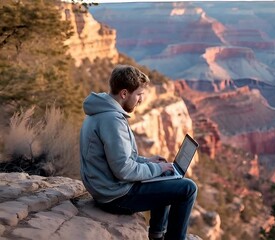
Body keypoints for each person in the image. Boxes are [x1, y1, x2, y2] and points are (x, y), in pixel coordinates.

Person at [79, 64, 198, 240]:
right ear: (124, 94)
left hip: (107, 188)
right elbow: (124, 170)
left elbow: (122, 159)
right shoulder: (112, 120)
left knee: (167, 177)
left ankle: (158, 234)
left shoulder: (102, 112)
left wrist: (149, 162)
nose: (141, 100)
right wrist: (158, 169)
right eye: (139, 95)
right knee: (188, 188)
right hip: (115, 196)